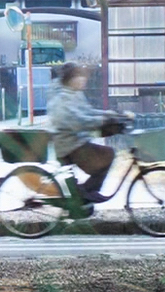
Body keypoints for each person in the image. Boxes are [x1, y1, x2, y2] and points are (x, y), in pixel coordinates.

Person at [46, 62, 131, 203]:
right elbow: (80, 121)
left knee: (106, 154)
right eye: (80, 77)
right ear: (71, 79)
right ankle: (85, 195)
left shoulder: (75, 94)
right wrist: (104, 120)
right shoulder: (62, 99)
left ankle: (85, 194)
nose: (84, 80)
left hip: (77, 142)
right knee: (107, 154)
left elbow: (88, 112)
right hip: (69, 147)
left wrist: (112, 115)